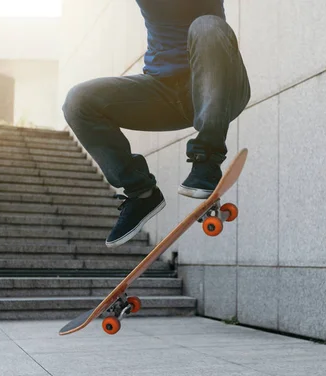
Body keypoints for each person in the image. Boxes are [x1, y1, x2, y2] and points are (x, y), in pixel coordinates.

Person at [62, 0, 250, 247]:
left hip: (219, 87)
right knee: (79, 101)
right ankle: (141, 192)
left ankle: (207, 159)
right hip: (163, 91)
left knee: (206, 26)